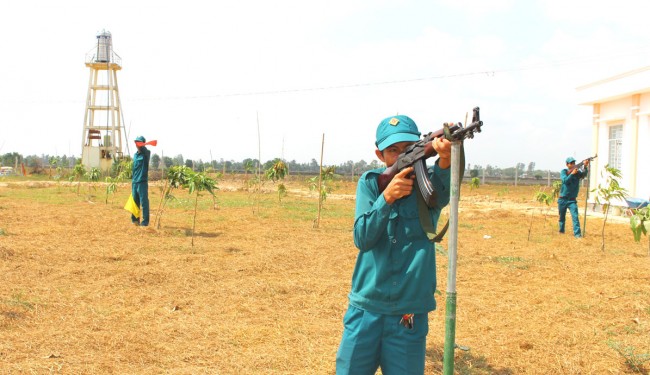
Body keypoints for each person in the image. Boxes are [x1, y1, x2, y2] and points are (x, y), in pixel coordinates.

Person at [336, 115, 452, 375]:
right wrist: (385, 199)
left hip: (408, 313)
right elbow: (362, 238)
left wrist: (445, 159)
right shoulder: (371, 183)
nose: (400, 155)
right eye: (393, 151)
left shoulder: (430, 182)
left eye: (408, 149)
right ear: (380, 155)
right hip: (366, 308)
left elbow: (443, 195)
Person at [558, 156, 590, 238]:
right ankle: (561, 232)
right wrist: (572, 174)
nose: (573, 165)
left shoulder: (577, 173)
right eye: (571, 163)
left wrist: (585, 166)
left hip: (572, 200)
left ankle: (578, 235)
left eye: (574, 163)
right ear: (567, 164)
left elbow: (583, 175)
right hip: (562, 199)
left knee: (575, 217)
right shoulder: (564, 172)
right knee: (561, 218)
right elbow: (565, 181)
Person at [131, 135, 151, 227]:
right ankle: (135, 220)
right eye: (136, 142)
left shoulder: (146, 154)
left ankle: (145, 222)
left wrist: (142, 145)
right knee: (135, 202)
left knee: (144, 202)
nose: (137, 144)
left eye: (139, 142)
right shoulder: (135, 155)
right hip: (135, 182)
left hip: (142, 182)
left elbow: (145, 150)